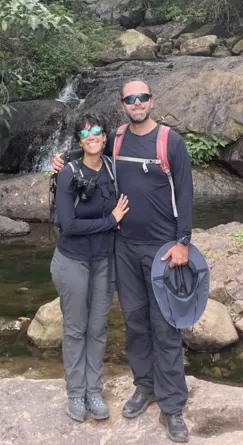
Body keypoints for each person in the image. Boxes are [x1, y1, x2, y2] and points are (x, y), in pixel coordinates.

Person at [53, 80, 193, 443]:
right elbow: (88, 154)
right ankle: (144, 387)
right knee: (135, 322)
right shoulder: (116, 139)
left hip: (163, 249)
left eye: (142, 97)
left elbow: (186, 194)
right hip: (125, 248)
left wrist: (183, 242)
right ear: (123, 105)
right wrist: (62, 162)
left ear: (151, 100)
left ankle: (172, 405)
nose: (136, 103)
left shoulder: (170, 142)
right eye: (130, 99)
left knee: (166, 325)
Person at [50, 112, 129, 423]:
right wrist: (111, 221)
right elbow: (68, 225)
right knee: (75, 328)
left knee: (97, 329)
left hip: (103, 262)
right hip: (72, 261)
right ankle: (75, 393)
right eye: (84, 133)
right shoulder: (68, 172)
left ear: (105, 136)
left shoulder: (112, 166)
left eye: (96, 131)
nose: (91, 136)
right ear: (78, 140)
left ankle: (94, 391)